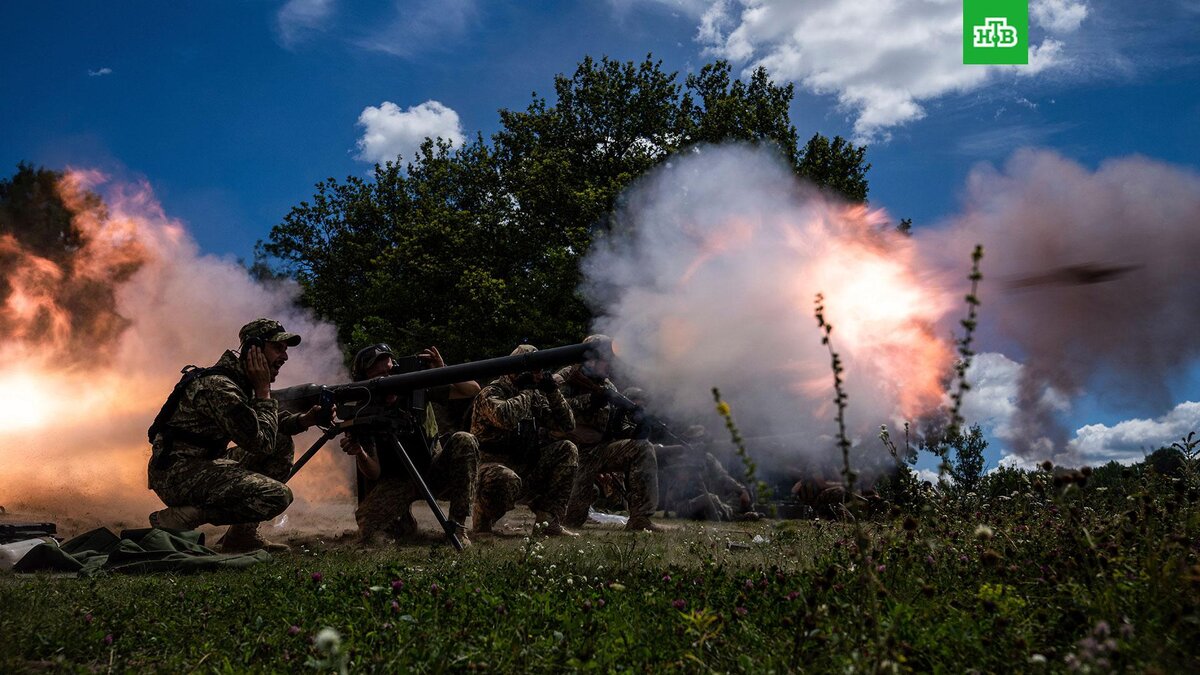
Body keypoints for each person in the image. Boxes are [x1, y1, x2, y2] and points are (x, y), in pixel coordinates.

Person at [146, 318, 325, 552]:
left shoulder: (238, 382)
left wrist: (305, 420)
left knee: (281, 442)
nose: (285, 357)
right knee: (276, 496)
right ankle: (187, 515)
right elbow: (261, 443)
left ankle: (242, 537)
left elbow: (265, 427)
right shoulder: (220, 388)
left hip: (201, 464)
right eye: (278, 348)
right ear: (254, 350)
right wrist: (264, 392)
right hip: (176, 474)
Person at [340, 343, 480, 545]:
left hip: (433, 469)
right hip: (398, 479)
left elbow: (471, 390)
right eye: (379, 376)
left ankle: (457, 527)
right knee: (368, 529)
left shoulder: (417, 389)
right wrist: (360, 452)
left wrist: (443, 369)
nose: (389, 380)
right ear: (364, 381)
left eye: (391, 372)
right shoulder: (361, 412)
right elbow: (374, 472)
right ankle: (403, 522)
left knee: (464, 441)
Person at [555, 335, 663, 532]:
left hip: (598, 450)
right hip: (568, 452)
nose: (610, 366)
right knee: (571, 520)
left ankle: (640, 518)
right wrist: (589, 401)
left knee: (642, 448)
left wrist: (637, 424)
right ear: (592, 359)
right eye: (606, 360)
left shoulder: (607, 386)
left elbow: (615, 426)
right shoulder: (567, 377)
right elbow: (551, 409)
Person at [469, 345, 579, 536]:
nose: (537, 374)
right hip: (491, 467)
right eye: (533, 369)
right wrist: (527, 390)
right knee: (505, 479)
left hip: (524, 465)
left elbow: (567, 425)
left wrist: (552, 391)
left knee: (567, 449)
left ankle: (548, 522)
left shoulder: (534, 395)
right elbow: (506, 418)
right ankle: (483, 520)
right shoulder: (492, 392)